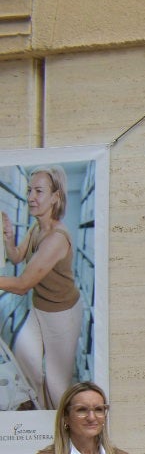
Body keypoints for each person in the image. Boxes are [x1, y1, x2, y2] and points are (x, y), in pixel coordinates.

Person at [0, 166, 83, 408]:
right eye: (29, 191)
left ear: (56, 197)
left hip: (61, 315)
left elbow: (23, 284)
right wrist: (8, 236)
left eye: (38, 191)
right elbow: (16, 257)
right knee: (31, 371)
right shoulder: (36, 227)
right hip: (38, 310)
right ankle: (42, 420)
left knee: (58, 385)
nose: (30, 197)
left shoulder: (56, 238)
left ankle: (59, 435)